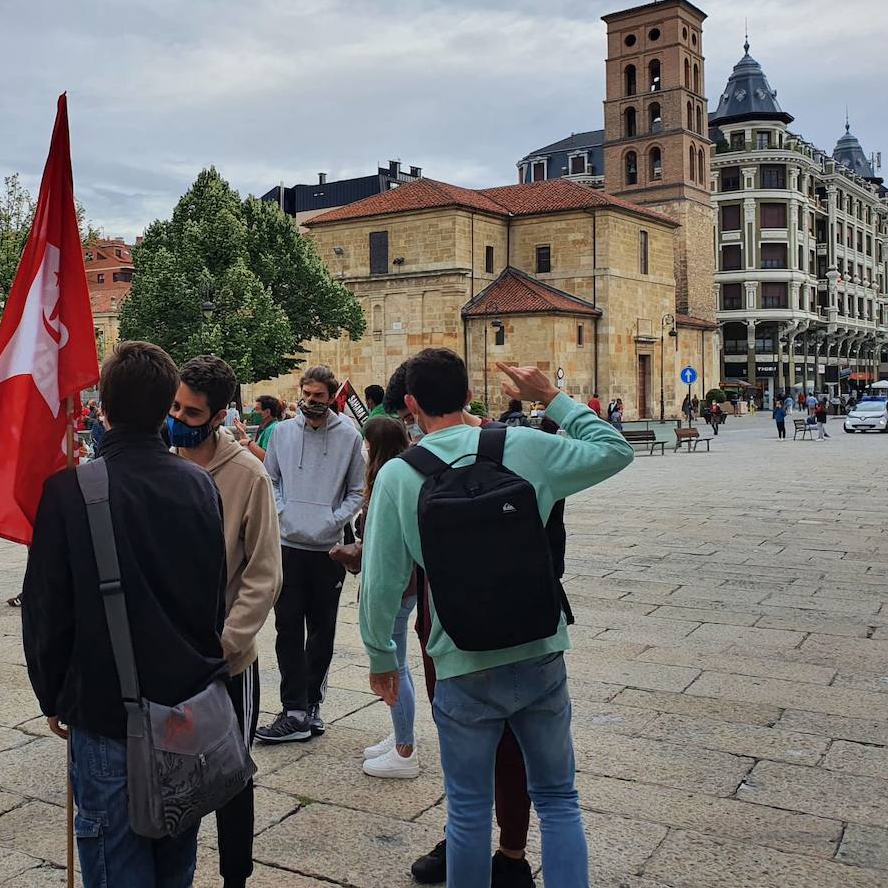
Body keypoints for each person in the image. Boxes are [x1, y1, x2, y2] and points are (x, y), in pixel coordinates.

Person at [360, 350, 632, 888]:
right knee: (558, 800)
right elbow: (614, 450)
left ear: (411, 405)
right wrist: (551, 396)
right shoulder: (526, 448)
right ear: (468, 395)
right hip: (539, 648)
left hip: (460, 660)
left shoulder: (399, 475)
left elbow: (382, 582)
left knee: (466, 812)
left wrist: (380, 659)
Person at [22, 342, 228, 887]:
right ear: (166, 407)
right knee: (174, 867)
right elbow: (214, 597)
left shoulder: (68, 492)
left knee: (115, 865)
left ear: (103, 408)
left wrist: (52, 694)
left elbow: (45, 610)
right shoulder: (200, 486)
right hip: (185, 715)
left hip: (107, 711)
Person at [171, 355, 283, 888]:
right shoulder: (163, 461)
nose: (176, 417)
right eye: (174, 405)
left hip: (226, 660)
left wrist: (227, 643)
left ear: (218, 416)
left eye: (190, 412)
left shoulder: (248, 476)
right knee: (173, 772)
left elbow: (263, 574)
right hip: (169, 657)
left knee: (233, 776)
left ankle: (236, 877)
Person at [256, 365, 365, 744]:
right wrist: (284, 512)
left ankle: (312, 703)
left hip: (328, 549)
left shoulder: (349, 436)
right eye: (306, 395)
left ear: (331, 396)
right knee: (287, 628)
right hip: (287, 546)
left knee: (322, 631)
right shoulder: (283, 433)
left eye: (318, 396)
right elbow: (271, 479)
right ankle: (293, 708)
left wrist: (333, 519)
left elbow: (357, 490)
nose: (310, 402)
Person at [356, 416, 419, 780]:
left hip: (397, 585)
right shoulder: (403, 472)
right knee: (401, 663)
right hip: (406, 585)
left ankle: (405, 750)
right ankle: (401, 734)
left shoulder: (387, 478)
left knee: (395, 666)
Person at [239, 395, 282, 462]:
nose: (254, 412)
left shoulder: (271, 429)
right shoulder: (267, 427)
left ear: (267, 412)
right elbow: (256, 447)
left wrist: (249, 442)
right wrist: (242, 432)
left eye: (257, 409)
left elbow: (265, 457)